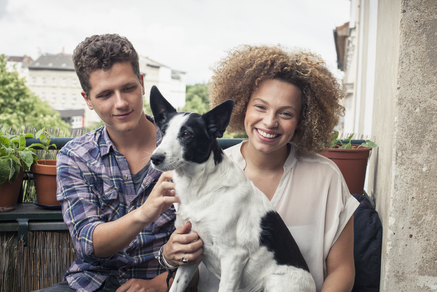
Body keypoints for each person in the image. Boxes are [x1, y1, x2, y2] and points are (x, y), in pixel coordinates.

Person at [36, 34, 203, 292]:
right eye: (105, 94)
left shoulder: (189, 151)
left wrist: (158, 285)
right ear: (87, 100)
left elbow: (209, 242)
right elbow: (87, 243)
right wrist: (145, 212)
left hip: (165, 284)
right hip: (90, 284)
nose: (121, 103)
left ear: (142, 83)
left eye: (128, 88)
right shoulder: (75, 156)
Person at [197, 44, 359, 292]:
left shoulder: (326, 177)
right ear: (243, 107)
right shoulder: (203, 172)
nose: (270, 122)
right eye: (260, 107)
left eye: (285, 113)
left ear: (302, 119)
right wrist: (172, 255)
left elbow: (342, 269)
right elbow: (185, 260)